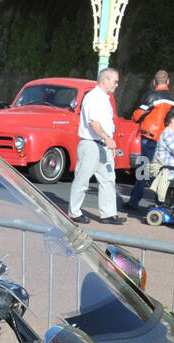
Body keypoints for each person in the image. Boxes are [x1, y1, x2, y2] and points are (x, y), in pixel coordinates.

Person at [67, 68, 124, 225]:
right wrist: (107, 138)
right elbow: (93, 123)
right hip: (91, 144)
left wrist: (108, 142)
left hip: (102, 145)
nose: (117, 84)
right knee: (82, 179)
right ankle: (74, 212)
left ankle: (108, 214)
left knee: (108, 179)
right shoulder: (93, 97)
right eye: (115, 81)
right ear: (105, 80)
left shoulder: (105, 98)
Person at [124, 69, 174, 211]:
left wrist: (135, 115)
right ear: (168, 82)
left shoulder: (151, 96)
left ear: (154, 82)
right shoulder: (172, 100)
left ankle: (134, 202)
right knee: (159, 170)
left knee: (143, 169)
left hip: (149, 136)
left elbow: (137, 115)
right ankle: (161, 202)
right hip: (164, 139)